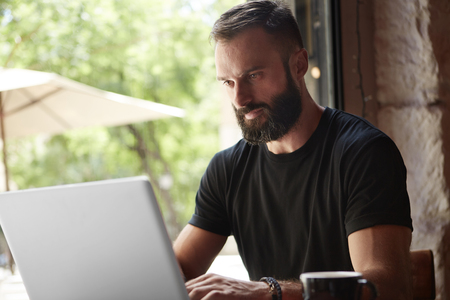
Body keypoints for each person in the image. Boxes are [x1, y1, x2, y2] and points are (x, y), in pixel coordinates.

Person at [174, 1, 413, 299]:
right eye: (227, 81)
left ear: (299, 65)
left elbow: (387, 287)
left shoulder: (364, 153)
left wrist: (269, 293)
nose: (240, 98)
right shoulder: (227, 170)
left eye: (253, 76)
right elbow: (177, 270)